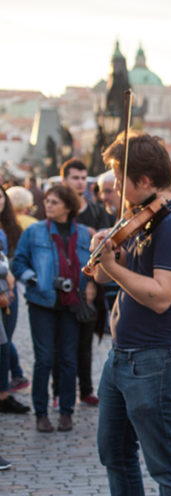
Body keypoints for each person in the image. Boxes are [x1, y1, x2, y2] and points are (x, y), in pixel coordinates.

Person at [74, 131, 171, 496]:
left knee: (167, 466)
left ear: (144, 180)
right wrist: (106, 262)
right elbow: (114, 279)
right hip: (123, 356)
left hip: (158, 360)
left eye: (118, 178)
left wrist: (111, 266)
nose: (113, 188)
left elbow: (162, 295)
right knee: (114, 450)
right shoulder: (144, 219)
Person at [12, 185, 91, 432]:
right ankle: (41, 414)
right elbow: (18, 263)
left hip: (71, 305)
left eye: (54, 202)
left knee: (68, 359)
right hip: (42, 303)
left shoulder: (83, 234)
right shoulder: (34, 231)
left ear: (68, 207)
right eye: (47, 201)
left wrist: (88, 289)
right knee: (44, 359)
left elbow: (90, 265)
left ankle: (66, 412)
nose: (48, 205)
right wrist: (34, 279)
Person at [63, 158, 111, 408]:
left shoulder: (96, 211)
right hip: (62, 285)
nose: (80, 183)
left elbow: (106, 249)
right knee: (62, 343)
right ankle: (61, 391)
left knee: (84, 342)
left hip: (88, 284)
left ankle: (86, 389)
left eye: (83, 178)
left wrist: (93, 283)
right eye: (75, 178)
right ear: (65, 180)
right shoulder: (60, 208)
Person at [0, 186, 29, 412]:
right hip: (3, 290)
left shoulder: (12, 228)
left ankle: (4, 391)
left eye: (0, 196)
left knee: (5, 342)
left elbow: (18, 260)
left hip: (10, 293)